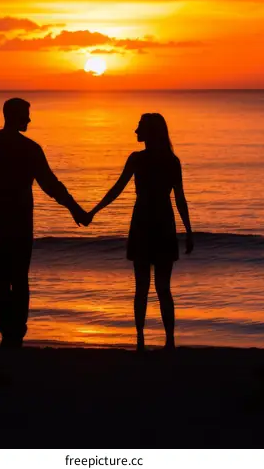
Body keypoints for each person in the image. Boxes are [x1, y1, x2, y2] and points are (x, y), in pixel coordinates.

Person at [0, 97, 87, 347]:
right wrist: (75, 209)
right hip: (19, 224)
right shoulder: (29, 149)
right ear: (14, 116)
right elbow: (50, 184)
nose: (30, 120)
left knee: (2, 278)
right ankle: (16, 333)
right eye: (26, 115)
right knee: (18, 278)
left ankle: (7, 331)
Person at [86, 113, 193, 351]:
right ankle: (168, 341)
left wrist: (93, 211)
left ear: (150, 132)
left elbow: (117, 189)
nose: (135, 131)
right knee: (163, 288)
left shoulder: (138, 159)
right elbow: (180, 199)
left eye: (139, 127)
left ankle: (141, 341)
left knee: (142, 287)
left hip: (144, 223)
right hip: (163, 223)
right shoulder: (171, 160)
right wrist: (188, 231)